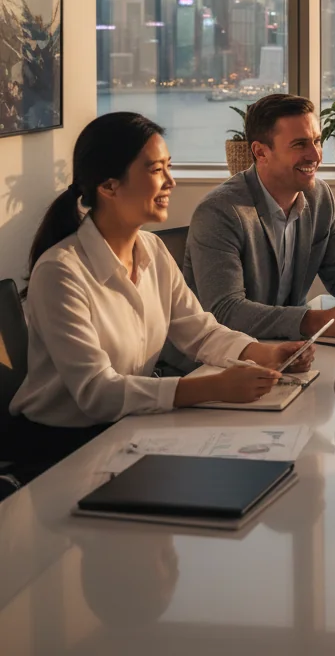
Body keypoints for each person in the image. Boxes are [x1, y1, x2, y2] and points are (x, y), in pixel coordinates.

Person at [9, 113, 312, 482]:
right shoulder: (60, 272)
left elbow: (200, 332)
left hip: (129, 428)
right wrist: (213, 387)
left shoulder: (151, 249)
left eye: (169, 166)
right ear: (109, 186)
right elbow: (97, 393)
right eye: (156, 170)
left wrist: (263, 353)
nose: (171, 181)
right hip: (61, 451)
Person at [184, 94, 335, 342]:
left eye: (317, 141)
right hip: (223, 356)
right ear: (260, 152)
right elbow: (226, 311)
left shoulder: (319, 197)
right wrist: (320, 321)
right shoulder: (220, 211)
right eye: (300, 144)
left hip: (288, 349)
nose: (315, 155)